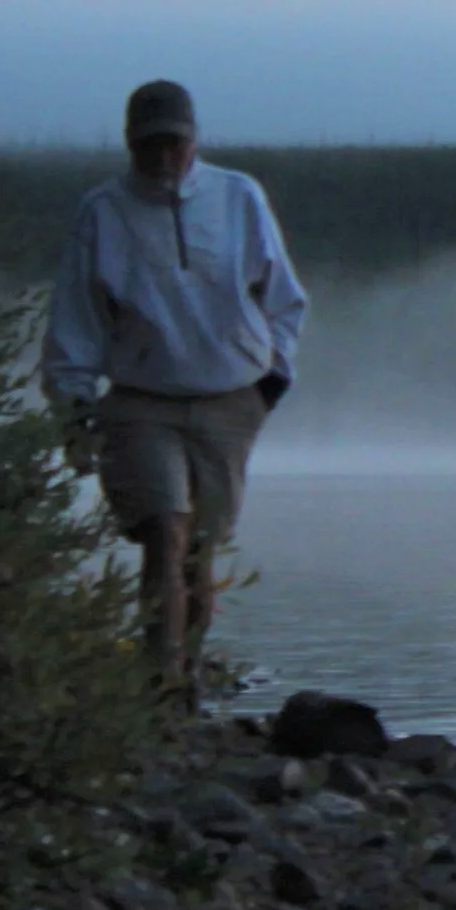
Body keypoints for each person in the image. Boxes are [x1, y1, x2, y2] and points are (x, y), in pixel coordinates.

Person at [41, 80, 308, 691]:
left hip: (231, 398)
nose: (163, 157)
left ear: (194, 141)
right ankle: (158, 684)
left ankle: (186, 673)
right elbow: (76, 316)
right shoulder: (103, 211)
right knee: (165, 529)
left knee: (200, 549)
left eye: (174, 144)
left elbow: (284, 299)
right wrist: (73, 407)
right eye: (150, 145)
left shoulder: (238, 197)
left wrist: (272, 380)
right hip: (140, 400)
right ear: (129, 144)